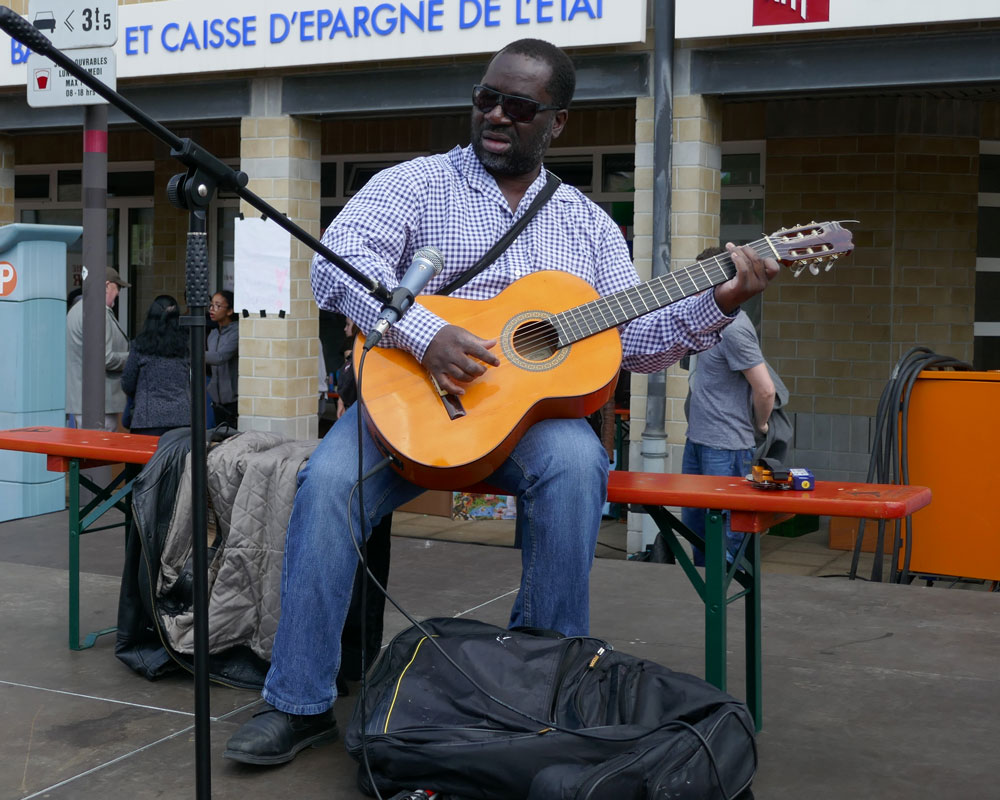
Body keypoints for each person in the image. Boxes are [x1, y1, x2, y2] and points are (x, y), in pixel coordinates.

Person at [224, 38, 778, 765]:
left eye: (519, 107)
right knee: (325, 483)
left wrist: (723, 298)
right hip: (407, 405)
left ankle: (538, 692)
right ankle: (299, 701)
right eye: (486, 98)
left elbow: (637, 342)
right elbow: (338, 267)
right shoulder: (416, 185)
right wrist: (424, 336)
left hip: (527, 427)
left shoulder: (585, 222)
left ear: (558, 123)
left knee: (578, 465)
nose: (495, 115)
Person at [682, 246, 776, 566]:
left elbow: (765, 389)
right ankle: (703, 605)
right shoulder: (704, 320)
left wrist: (761, 426)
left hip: (726, 449)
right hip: (697, 443)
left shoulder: (735, 329)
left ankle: (726, 606)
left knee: (724, 539)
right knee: (695, 529)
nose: (692, 289)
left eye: (699, 281)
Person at [65, 267, 130, 431]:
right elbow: (106, 358)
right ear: (107, 285)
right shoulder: (96, 312)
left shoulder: (78, 309)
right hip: (99, 404)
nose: (119, 293)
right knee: (100, 452)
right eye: (118, 287)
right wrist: (132, 357)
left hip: (84, 401)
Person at [120, 295, 192, 437]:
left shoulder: (140, 345)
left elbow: (128, 383)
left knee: (145, 459)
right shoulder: (186, 346)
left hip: (147, 418)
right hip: (181, 417)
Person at [206, 290, 239, 428]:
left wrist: (193, 355)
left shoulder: (237, 332)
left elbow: (220, 357)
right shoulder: (212, 334)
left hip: (234, 401)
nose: (212, 309)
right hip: (216, 401)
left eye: (218, 306)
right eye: (211, 305)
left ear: (230, 310)